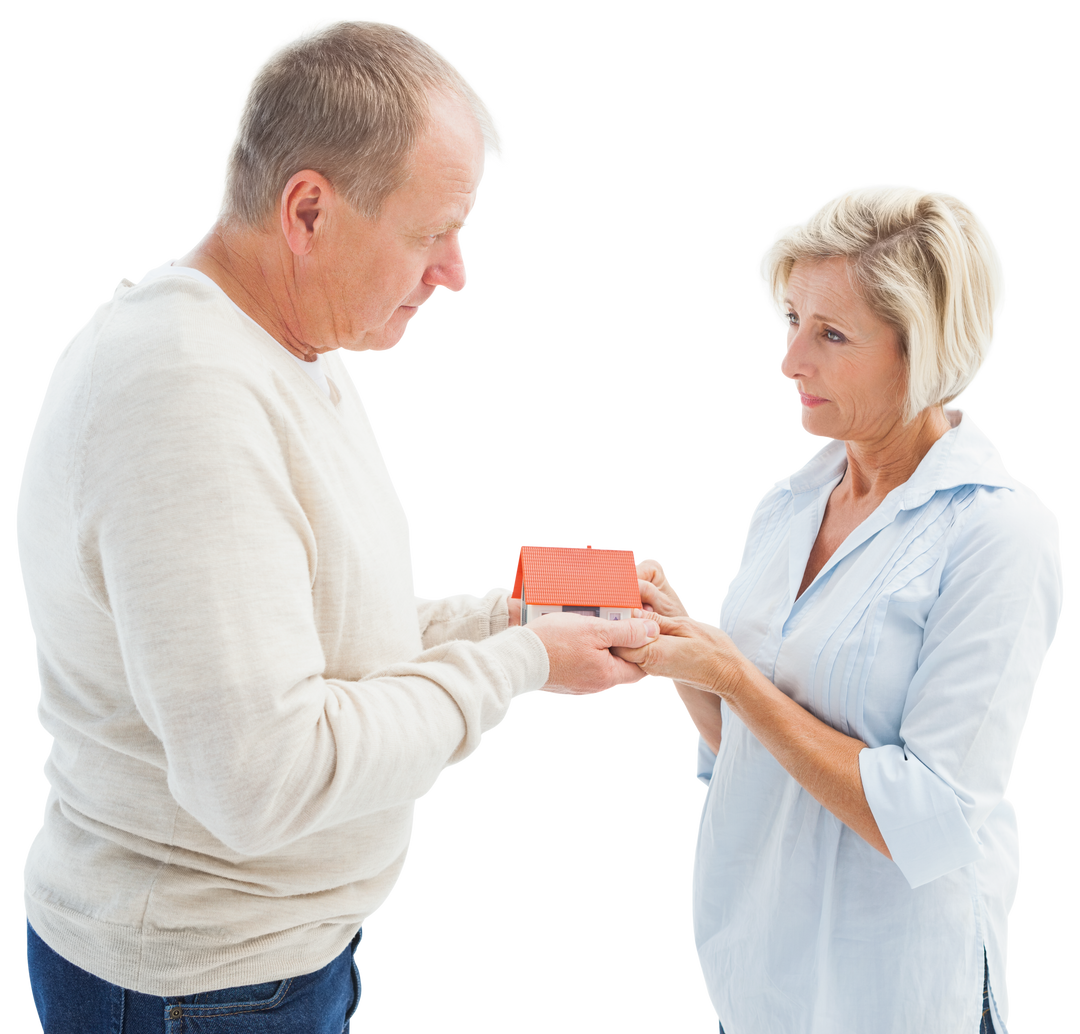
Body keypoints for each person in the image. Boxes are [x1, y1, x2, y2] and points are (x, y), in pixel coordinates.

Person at [16, 16, 659, 1032]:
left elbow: (315, 633)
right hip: (198, 985)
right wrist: (525, 661)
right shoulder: (186, 398)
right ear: (308, 210)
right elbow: (261, 778)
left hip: (268, 963)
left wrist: (506, 617)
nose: (455, 273)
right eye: (428, 233)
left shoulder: (292, 348)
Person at [616, 183, 1064, 1034]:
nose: (789, 361)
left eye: (830, 335)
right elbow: (746, 745)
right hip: (756, 973)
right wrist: (681, 649)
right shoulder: (791, 501)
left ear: (920, 354)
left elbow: (928, 819)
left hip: (890, 992)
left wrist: (737, 678)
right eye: (791, 321)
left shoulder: (999, 533)